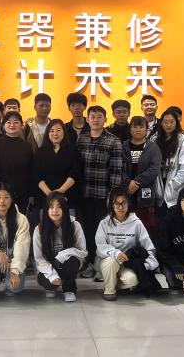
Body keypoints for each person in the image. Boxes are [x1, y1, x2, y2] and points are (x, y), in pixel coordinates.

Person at [77, 105, 125, 275]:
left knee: (103, 231)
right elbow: (76, 167)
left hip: (103, 195)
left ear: (105, 119)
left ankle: (102, 265)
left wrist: (112, 197)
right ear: (87, 119)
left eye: (99, 117)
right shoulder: (81, 139)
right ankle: (90, 262)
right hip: (84, 194)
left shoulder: (113, 140)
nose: (96, 120)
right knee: (86, 230)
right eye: (92, 116)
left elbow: (116, 171)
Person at [95, 187, 159, 300]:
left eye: (123, 203)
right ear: (111, 204)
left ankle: (115, 283)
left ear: (129, 204)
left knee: (131, 280)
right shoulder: (104, 223)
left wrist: (146, 266)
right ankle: (109, 289)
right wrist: (116, 253)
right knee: (110, 262)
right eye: (117, 203)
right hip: (106, 260)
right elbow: (100, 246)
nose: (120, 207)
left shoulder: (136, 223)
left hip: (127, 263)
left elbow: (149, 247)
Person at [33, 192, 88, 302]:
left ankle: (69, 289)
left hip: (67, 264)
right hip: (48, 265)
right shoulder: (39, 229)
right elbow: (39, 258)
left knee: (72, 262)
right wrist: (52, 276)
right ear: (46, 209)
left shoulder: (74, 225)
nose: (55, 210)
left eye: (59, 207)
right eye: (51, 207)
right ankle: (52, 286)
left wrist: (64, 254)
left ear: (65, 209)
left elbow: (82, 251)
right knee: (46, 281)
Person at [0, 112, 34, 215]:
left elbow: (31, 172)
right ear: (3, 125)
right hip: (1, 194)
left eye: (16, 122)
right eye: (8, 122)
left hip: (22, 194)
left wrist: (31, 194)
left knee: (20, 221)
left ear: (21, 125)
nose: (12, 125)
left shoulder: (27, 146)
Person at [34, 119, 80, 224]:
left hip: (67, 196)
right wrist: (50, 194)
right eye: (52, 131)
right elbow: (37, 175)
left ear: (64, 132)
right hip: (45, 198)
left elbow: (75, 173)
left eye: (58, 130)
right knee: (46, 228)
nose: (55, 134)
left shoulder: (73, 151)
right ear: (47, 133)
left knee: (68, 228)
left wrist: (60, 191)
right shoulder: (40, 152)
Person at [123, 116, 162, 232]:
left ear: (147, 130)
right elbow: (117, 167)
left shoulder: (153, 147)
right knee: (126, 227)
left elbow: (154, 169)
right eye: (135, 127)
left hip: (145, 193)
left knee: (146, 227)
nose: (138, 130)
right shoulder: (123, 146)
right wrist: (128, 182)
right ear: (130, 129)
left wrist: (136, 182)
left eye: (141, 127)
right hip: (126, 192)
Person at [154, 108, 184, 212]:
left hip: (175, 187)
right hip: (158, 185)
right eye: (165, 122)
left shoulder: (182, 140)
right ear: (161, 123)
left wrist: (174, 183)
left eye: (171, 122)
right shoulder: (155, 139)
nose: (168, 125)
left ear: (177, 123)